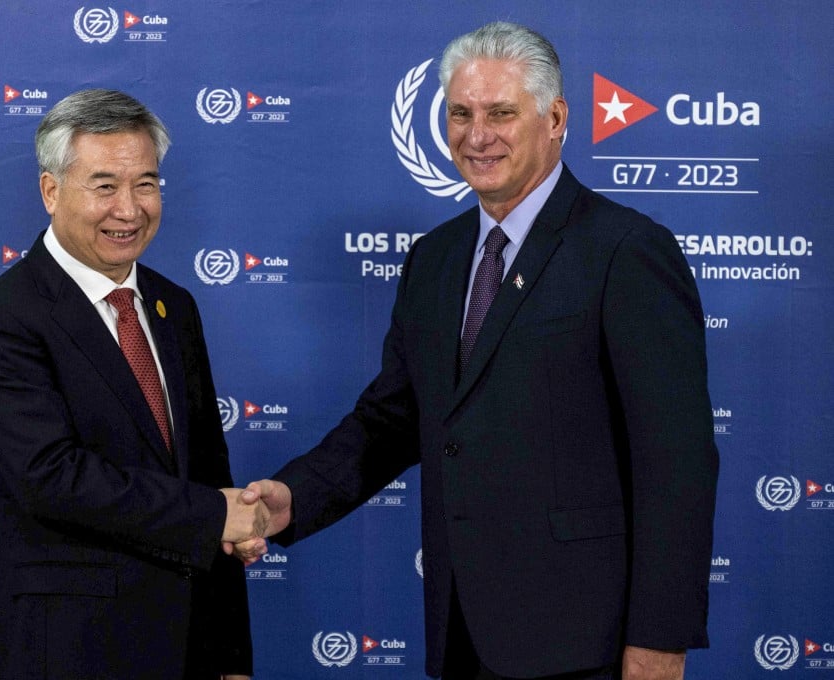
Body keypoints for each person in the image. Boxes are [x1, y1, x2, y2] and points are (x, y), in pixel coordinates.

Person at [229, 22, 718, 680]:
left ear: (556, 117)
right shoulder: (434, 259)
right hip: (462, 632)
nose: (476, 135)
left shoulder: (625, 251)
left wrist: (660, 640)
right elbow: (393, 418)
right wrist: (294, 496)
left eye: (501, 113)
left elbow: (677, 462)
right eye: (460, 113)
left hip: (589, 644)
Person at [0, 89, 266, 680]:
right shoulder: (3, 318)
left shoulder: (175, 306)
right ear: (51, 191)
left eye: (145, 183)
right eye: (104, 186)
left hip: (188, 650)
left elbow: (210, 478)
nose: (129, 209)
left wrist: (231, 657)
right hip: (67, 651)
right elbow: (49, 478)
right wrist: (209, 514)